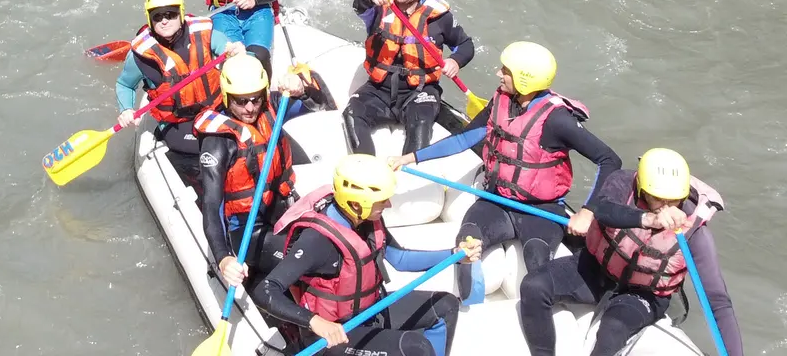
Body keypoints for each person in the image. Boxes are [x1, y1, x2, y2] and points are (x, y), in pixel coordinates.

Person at [392, 41, 622, 301]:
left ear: (525, 79)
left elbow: (609, 160)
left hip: (542, 211)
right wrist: (411, 157)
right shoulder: (502, 100)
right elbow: (464, 139)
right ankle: (472, 308)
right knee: (466, 247)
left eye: (505, 70)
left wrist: (587, 212)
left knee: (538, 268)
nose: (498, 74)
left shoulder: (557, 120)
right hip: (496, 202)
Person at [518, 147, 744, 356]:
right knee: (533, 286)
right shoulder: (622, 183)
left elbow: (718, 302)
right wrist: (649, 219)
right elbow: (604, 210)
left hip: (644, 294)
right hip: (596, 269)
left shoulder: (696, 234)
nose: (665, 206)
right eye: (656, 198)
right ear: (640, 188)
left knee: (612, 330)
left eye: (673, 200)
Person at [253, 154, 480, 355]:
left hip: (370, 312)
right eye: (382, 200)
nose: (389, 204)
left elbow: (400, 259)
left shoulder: (366, 220)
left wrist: (454, 255)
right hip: (332, 337)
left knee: (446, 305)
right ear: (356, 203)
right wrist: (315, 322)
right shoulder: (317, 241)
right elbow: (266, 290)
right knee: (415, 347)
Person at [343, 0, 473, 157]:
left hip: (419, 91)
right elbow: (358, 4)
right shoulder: (377, 7)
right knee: (352, 113)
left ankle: (408, 176)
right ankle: (365, 168)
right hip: (379, 89)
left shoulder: (439, 16)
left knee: (420, 123)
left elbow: (465, 45)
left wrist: (455, 61)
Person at [115, 0, 241, 186]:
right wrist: (126, 110)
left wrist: (237, 52)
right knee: (204, 149)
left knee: (237, 140)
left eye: (170, 14)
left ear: (181, 14)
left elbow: (231, 53)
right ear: (150, 20)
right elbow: (124, 84)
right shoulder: (139, 55)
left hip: (215, 109)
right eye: (157, 17)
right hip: (177, 124)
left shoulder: (205, 35)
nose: (164, 21)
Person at [195, 53, 303, 287]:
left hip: (281, 209)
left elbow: (317, 100)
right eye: (240, 101)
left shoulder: (272, 105)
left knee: (328, 244)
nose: (250, 108)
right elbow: (211, 207)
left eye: (255, 99)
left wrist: (300, 83)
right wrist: (223, 259)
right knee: (303, 264)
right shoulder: (217, 142)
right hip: (246, 229)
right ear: (226, 97)